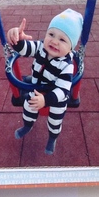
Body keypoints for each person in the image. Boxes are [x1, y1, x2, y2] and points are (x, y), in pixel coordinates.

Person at [6, 8, 83, 154]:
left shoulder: (66, 65)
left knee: (55, 122)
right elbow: (25, 49)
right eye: (51, 34)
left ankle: (52, 138)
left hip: (55, 98)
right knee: (28, 108)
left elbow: (63, 90)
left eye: (62, 39)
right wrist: (17, 40)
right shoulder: (41, 47)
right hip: (36, 89)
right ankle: (27, 126)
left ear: (70, 47)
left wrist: (46, 100)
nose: (54, 41)